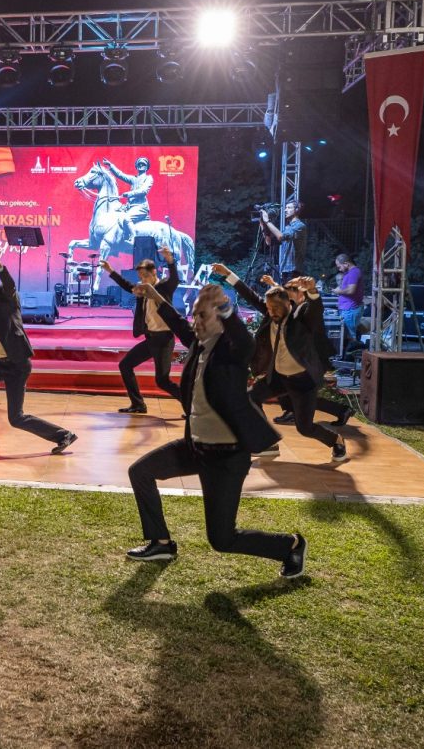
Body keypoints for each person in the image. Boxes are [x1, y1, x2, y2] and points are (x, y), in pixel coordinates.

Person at [123, 281, 308, 579]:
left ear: (220, 319)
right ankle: (161, 543)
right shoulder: (199, 344)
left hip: (226, 457)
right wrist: (155, 295)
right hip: (195, 447)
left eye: (202, 316)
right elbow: (176, 321)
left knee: (223, 540)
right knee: (140, 472)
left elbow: (246, 343)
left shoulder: (232, 351)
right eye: (195, 315)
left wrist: (224, 307)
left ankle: (291, 546)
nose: (195, 321)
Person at [213, 264, 347, 462]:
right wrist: (228, 274)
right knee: (251, 398)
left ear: (287, 303)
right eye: (268, 308)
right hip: (278, 377)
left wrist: (312, 291)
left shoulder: (300, 318)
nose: (271, 311)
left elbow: (315, 310)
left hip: (303, 382)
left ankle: (336, 440)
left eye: (275, 308)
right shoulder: (271, 313)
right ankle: (267, 442)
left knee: (305, 428)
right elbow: (250, 295)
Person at [0, 244, 78, 454]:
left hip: (17, 365)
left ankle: (63, 435)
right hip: (0, 364)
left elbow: (9, 284)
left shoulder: (7, 298)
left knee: (16, 418)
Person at [260, 273, 353, 428]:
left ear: (300, 292)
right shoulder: (294, 307)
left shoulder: (306, 308)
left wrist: (312, 291)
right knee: (295, 391)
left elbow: (315, 307)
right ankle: (338, 410)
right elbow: (281, 299)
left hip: (312, 358)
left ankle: (339, 410)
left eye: (290, 288)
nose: (285, 291)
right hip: (301, 359)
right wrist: (273, 284)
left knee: (300, 395)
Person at [99, 246, 182, 414]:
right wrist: (111, 271)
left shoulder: (164, 287)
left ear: (154, 272)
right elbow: (127, 285)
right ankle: (138, 404)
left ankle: (192, 405)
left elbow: (174, 278)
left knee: (162, 381)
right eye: (140, 276)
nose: (142, 279)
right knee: (125, 365)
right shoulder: (142, 289)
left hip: (164, 339)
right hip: (151, 339)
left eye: (145, 275)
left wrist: (170, 260)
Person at [258, 200, 306, 282]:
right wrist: (263, 224)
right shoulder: (288, 228)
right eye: (285, 208)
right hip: (285, 270)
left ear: (297, 209)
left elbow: (280, 237)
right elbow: (269, 242)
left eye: (289, 208)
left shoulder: (300, 226)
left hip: (294, 271)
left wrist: (267, 221)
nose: (285, 210)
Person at [101, 156, 153, 224]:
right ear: (137, 166)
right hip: (129, 207)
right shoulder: (133, 179)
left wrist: (129, 194)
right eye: (139, 164)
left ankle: (133, 232)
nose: (141, 165)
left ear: (146, 167)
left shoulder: (148, 178)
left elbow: (143, 191)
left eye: (143, 164)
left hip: (140, 207)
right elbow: (120, 175)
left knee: (126, 219)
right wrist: (110, 165)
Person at [331, 253, 364, 352]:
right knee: (348, 335)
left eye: (339, 266)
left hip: (351, 309)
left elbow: (351, 290)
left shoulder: (354, 272)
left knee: (351, 337)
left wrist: (338, 291)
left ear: (346, 263)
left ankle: (350, 357)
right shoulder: (350, 273)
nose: (339, 269)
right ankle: (347, 355)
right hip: (348, 309)